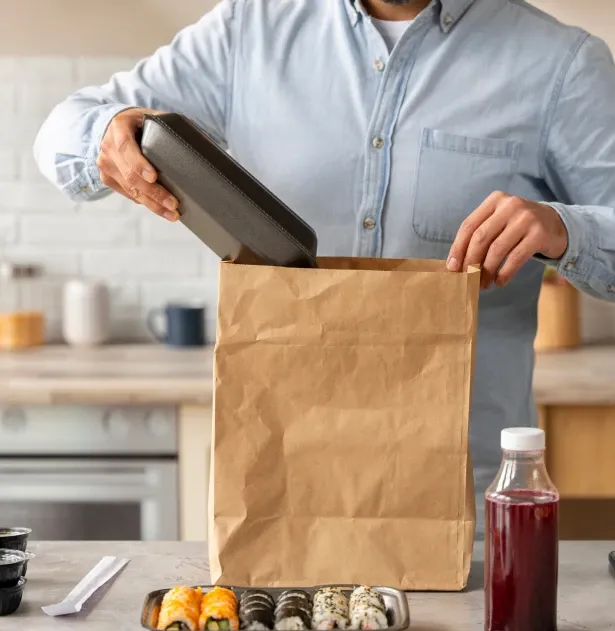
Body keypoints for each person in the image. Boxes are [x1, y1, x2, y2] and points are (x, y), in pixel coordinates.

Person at [34, 0, 615, 537]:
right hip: (279, 484)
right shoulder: (247, 31)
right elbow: (64, 128)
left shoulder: (562, 64)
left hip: (463, 490)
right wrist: (106, 134)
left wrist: (566, 228)